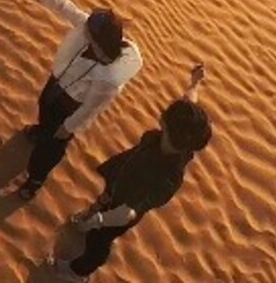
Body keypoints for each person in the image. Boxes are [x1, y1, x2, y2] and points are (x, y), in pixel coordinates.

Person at [49, 65, 211, 281]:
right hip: (123, 174)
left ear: (172, 132)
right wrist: (195, 82)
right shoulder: (184, 137)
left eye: (166, 116)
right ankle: (92, 214)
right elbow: (189, 101)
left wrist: (97, 220)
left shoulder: (167, 178)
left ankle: (78, 272)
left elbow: (128, 212)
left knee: (98, 242)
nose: (162, 114)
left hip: (123, 207)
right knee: (104, 197)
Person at [17, 0, 143, 199]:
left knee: (50, 147)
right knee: (44, 112)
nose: (83, 26)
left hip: (71, 105)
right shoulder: (88, 27)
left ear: (98, 40)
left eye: (89, 31)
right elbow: (66, 7)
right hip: (56, 84)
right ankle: (41, 130)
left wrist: (67, 128)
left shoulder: (109, 78)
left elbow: (91, 108)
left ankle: (35, 179)